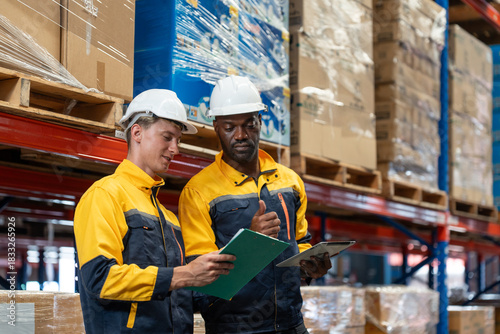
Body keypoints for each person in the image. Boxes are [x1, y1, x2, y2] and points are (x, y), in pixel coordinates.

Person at [73, 89, 236, 334]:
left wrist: (218, 273)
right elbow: (100, 279)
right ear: (137, 132)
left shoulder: (169, 218)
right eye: (167, 137)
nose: (175, 149)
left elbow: (179, 295)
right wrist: (184, 275)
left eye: (178, 140)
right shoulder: (105, 195)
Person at [178, 76, 332, 334]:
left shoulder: (290, 182)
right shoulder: (198, 192)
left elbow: (301, 243)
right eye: (229, 127)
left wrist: (311, 267)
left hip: (291, 323)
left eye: (249, 124)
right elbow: (201, 280)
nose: (240, 135)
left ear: (261, 121)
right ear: (216, 127)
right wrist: (252, 242)